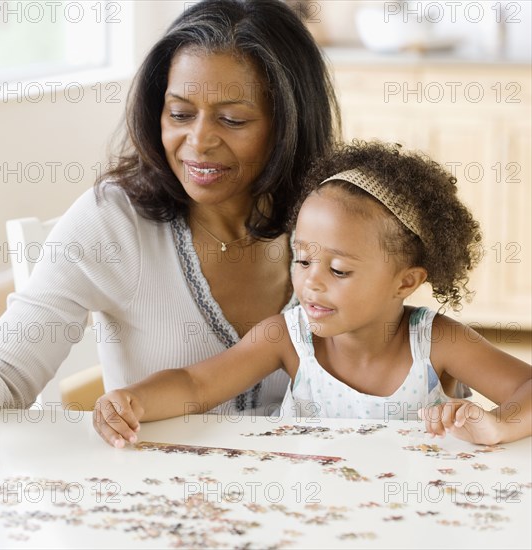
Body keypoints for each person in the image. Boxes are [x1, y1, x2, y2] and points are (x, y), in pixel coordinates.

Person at [0, 0, 340, 413]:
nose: (199, 141)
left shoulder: (334, 219)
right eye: (180, 114)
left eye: (232, 120)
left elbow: (394, 353)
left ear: (289, 124)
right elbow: (7, 374)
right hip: (147, 477)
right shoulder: (112, 222)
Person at [93, 140, 532, 448]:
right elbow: (196, 383)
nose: (311, 282)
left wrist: (498, 425)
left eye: (339, 269)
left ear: (406, 282)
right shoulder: (287, 337)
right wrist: (133, 400)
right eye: (302, 260)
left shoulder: (436, 341)